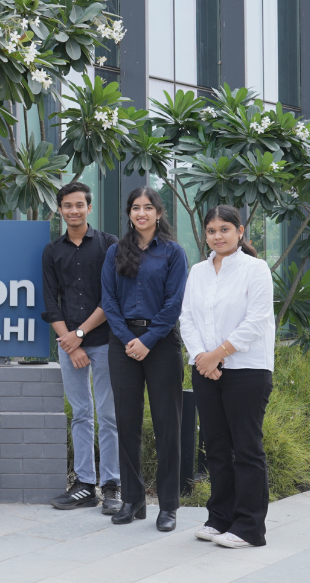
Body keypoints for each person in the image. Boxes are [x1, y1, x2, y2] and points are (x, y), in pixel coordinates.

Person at [181, 205, 275, 549]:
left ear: (239, 231)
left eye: (224, 229)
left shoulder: (256, 269)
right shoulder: (198, 271)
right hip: (206, 370)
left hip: (247, 370)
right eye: (211, 230)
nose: (217, 236)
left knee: (246, 449)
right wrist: (202, 360)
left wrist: (216, 355)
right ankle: (219, 518)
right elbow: (187, 318)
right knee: (216, 448)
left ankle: (250, 527)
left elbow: (257, 320)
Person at [100, 186, 188, 531]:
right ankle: (133, 500)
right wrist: (129, 339)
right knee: (127, 424)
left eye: (148, 208)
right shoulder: (114, 252)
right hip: (123, 344)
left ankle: (168, 507)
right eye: (135, 208)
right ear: (129, 213)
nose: (141, 213)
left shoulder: (173, 253)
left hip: (162, 344)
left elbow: (174, 303)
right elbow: (108, 301)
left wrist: (148, 340)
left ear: (159, 213)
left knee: (168, 425)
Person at [41, 181, 122, 514]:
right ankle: (85, 484)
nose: (73, 211)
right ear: (59, 210)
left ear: (89, 208)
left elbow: (112, 298)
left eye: (79, 205)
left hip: (103, 342)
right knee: (81, 415)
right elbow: (50, 300)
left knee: (109, 415)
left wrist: (80, 334)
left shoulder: (109, 245)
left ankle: (112, 485)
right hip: (68, 344)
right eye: (67, 206)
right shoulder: (52, 251)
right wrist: (70, 343)